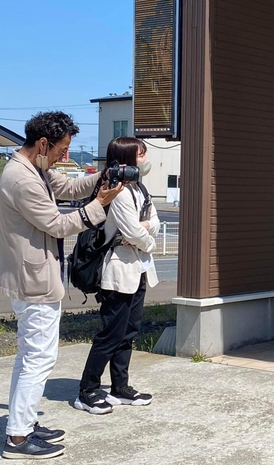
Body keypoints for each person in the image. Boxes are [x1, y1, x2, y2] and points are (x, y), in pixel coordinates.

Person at [0, 111, 124, 459]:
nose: (62, 156)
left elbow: (67, 187)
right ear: (42, 144)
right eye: (60, 150)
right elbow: (56, 224)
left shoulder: (33, 168)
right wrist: (99, 205)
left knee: (30, 358)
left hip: (34, 276)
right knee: (38, 359)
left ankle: (21, 424)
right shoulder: (22, 179)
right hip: (33, 280)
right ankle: (18, 438)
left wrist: (102, 178)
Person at [74, 137, 160, 414]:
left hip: (138, 269)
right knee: (111, 333)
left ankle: (119, 388)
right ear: (126, 159)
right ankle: (87, 390)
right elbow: (134, 232)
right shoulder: (119, 191)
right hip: (118, 271)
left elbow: (152, 223)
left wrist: (143, 230)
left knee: (129, 332)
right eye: (141, 154)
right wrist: (148, 239)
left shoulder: (139, 188)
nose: (145, 158)